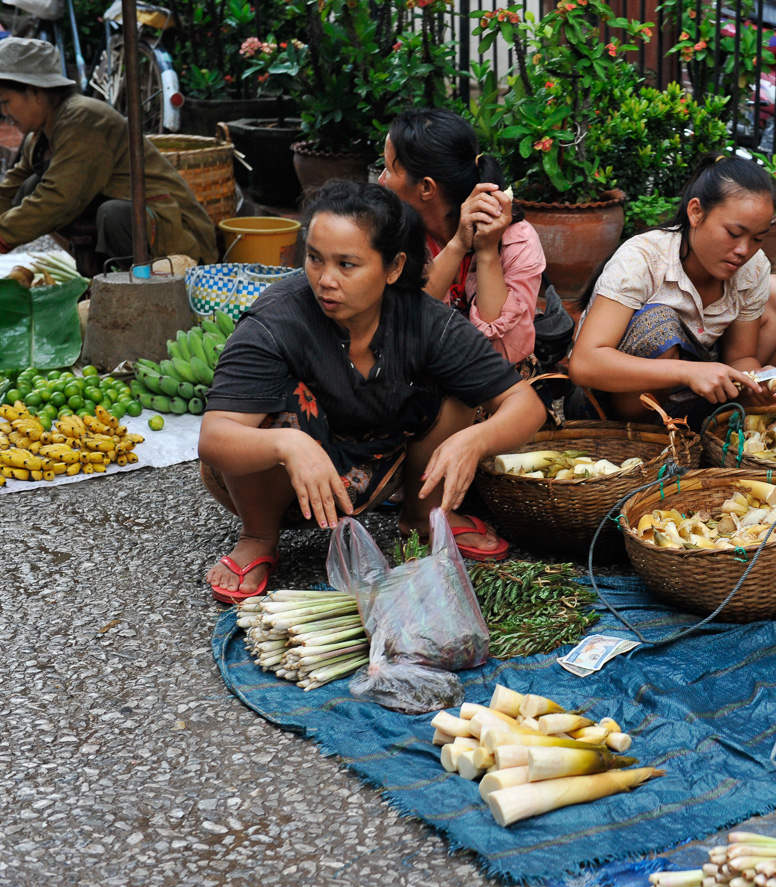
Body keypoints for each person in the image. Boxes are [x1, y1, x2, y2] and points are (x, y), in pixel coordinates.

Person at [197, 181, 545, 603]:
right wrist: (287, 444)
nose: (325, 280)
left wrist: (475, 440)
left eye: (347, 264)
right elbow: (215, 439)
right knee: (275, 410)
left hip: (378, 463)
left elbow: (525, 406)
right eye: (314, 259)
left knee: (459, 391)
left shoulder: (427, 322)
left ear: (394, 267)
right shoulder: (275, 321)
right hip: (274, 476)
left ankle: (423, 516)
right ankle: (258, 536)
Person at [565, 155, 776, 424]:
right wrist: (688, 372)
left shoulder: (752, 267)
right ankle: (651, 438)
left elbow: (742, 357)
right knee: (660, 325)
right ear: (696, 212)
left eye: (758, 238)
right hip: (606, 408)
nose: (744, 250)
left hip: (688, 396)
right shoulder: (642, 258)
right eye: (734, 233)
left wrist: (757, 381)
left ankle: (716, 421)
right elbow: (585, 364)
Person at [0, 38, 217, 274]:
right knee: (28, 187)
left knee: (112, 214)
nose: (4, 113)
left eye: (5, 102)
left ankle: (142, 287)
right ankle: (99, 274)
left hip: (179, 243)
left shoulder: (83, 119)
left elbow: (59, 198)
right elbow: (10, 189)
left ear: (35, 92)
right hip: (141, 224)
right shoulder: (40, 136)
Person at [378, 108, 544, 376]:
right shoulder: (395, 233)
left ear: (426, 188)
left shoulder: (517, 241)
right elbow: (397, 328)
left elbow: (506, 354)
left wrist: (487, 250)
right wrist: (457, 245)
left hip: (491, 388)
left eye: (388, 169)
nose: (380, 180)